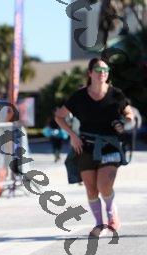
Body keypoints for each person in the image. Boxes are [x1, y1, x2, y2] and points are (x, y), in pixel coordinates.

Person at [55, 58, 134, 236]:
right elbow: (59, 116)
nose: (102, 73)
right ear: (90, 73)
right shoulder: (79, 96)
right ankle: (99, 224)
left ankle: (112, 216)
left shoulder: (116, 94)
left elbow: (129, 113)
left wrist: (124, 122)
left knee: (104, 186)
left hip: (110, 146)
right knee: (91, 190)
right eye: (98, 69)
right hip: (86, 146)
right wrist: (72, 135)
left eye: (105, 70)